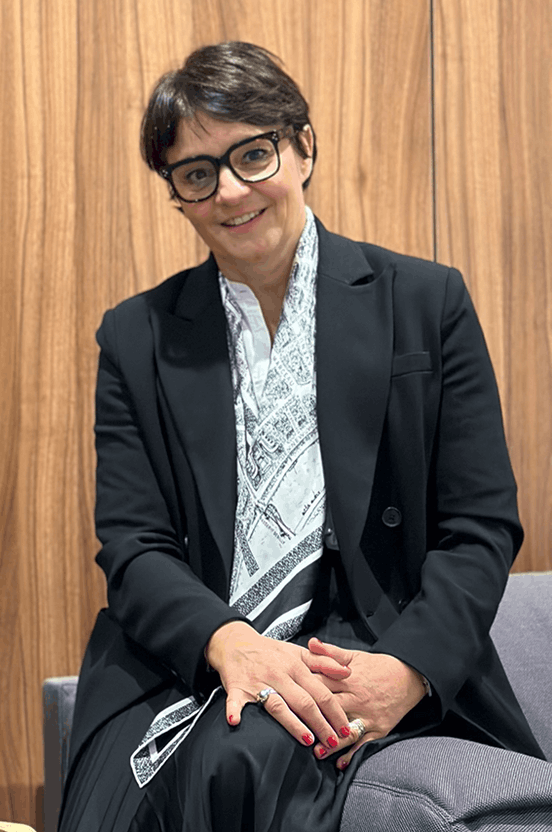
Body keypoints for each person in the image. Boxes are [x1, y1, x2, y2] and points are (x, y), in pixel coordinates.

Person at [58, 43, 546, 832]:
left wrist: (406, 670)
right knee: (211, 749)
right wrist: (228, 642)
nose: (230, 191)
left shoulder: (425, 301)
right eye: (196, 174)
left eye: (253, 154)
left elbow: (480, 526)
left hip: (367, 646)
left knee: (241, 750)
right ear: (177, 197)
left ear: (302, 146)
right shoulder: (137, 336)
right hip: (193, 652)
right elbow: (133, 545)